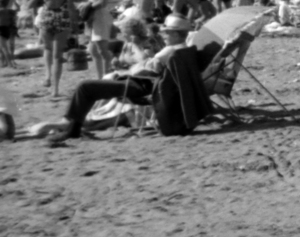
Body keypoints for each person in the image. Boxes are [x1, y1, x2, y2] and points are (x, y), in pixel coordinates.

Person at [33, 13, 199, 144]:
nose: (164, 35)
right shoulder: (183, 49)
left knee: (85, 87)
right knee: (97, 85)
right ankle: (74, 126)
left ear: (176, 34)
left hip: (142, 86)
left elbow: (142, 68)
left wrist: (130, 70)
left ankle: (72, 127)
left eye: (167, 32)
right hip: (149, 84)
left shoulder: (168, 51)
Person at [30, 0, 73, 99]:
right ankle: (55, 89)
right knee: (58, 56)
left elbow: (30, 3)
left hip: (46, 18)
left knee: (47, 49)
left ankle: (47, 76)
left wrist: (42, 2)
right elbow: (71, 6)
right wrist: (75, 25)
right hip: (62, 18)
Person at [81, 0, 115, 79]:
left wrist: (88, 7)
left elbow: (103, 1)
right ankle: (100, 77)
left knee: (102, 50)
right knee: (93, 51)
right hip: (94, 16)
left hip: (99, 15)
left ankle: (107, 77)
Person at [0, 0, 16, 67]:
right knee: (3, 47)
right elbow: (17, 10)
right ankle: (4, 63)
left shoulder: (1, 11)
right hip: (7, 29)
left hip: (1, 29)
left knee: (4, 48)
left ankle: (10, 64)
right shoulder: (10, 11)